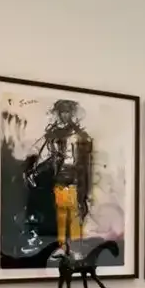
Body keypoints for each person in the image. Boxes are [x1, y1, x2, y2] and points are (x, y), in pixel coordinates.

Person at [27, 99, 95, 245]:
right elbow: (45, 155)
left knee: (75, 215)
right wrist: (35, 171)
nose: (65, 115)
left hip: (76, 180)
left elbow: (87, 163)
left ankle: (75, 249)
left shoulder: (81, 135)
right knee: (62, 215)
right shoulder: (54, 135)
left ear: (72, 114)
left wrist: (88, 191)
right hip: (60, 179)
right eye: (62, 112)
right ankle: (62, 247)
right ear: (58, 114)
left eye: (67, 112)